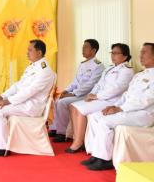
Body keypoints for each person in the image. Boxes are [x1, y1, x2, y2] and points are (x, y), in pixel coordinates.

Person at [0, 39, 56, 157]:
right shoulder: (32, 67)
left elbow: (30, 92)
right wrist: (1, 96)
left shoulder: (45, 71)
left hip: (31, 106)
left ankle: (1, 147)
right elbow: (18, 86)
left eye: (30, 50)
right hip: (22, 102)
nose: (27, 52)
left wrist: (8, 101)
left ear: (39, 53)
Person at [83, 42, 154, 171]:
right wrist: (113, 106)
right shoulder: (139, 75)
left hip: (143, 114)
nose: (141, 55)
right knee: (95, 116)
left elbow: (146, 100)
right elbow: (126, 96)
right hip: (128, 111)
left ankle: (105, 159)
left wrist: (120, 109)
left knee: (104, 121)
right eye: (141, 52)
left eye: (144, 52)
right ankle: (96, 155)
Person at [66, 43, 134, 153]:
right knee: (72, 106)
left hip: (111, 101)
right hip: (100, 99)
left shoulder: (127, 70)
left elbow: (117, 89)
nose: (113, 55)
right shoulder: (109, 69)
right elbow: (98, 84)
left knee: (78, 109)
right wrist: (91, 95)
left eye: (116, 53)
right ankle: (78, 139)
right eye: (112, 52)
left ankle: (78, 142)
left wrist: (97, 96)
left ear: (125, 56)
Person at [49, 39, 104, 142]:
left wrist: (72, 94)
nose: (83, 49)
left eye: (86, 47)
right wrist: (65, 91)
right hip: (76, 93)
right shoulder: (82, 64)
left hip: (86, 95)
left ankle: (63, 133)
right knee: (57, 99)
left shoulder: (98, 66)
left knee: (62, 103)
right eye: (83, 47)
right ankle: (54, 128)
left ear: (93, 50)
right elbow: (75, 81)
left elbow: (90, 85)